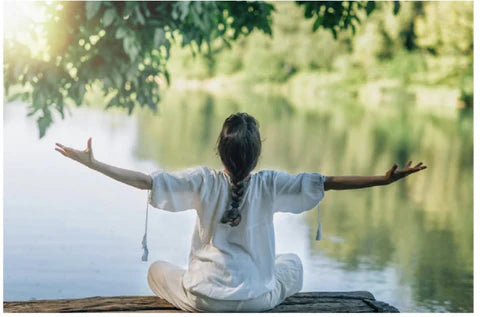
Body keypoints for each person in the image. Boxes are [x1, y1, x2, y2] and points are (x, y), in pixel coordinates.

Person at [54, 112, 426, 312]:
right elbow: (328, 181)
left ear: (220, 149)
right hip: (255, 301)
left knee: (156, 271)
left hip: (204, 299)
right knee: (293, 263)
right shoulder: (271, 183)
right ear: (257, 152)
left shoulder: (202, 180)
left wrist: (94, 164)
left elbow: (144, 181)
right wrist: (381, 180)